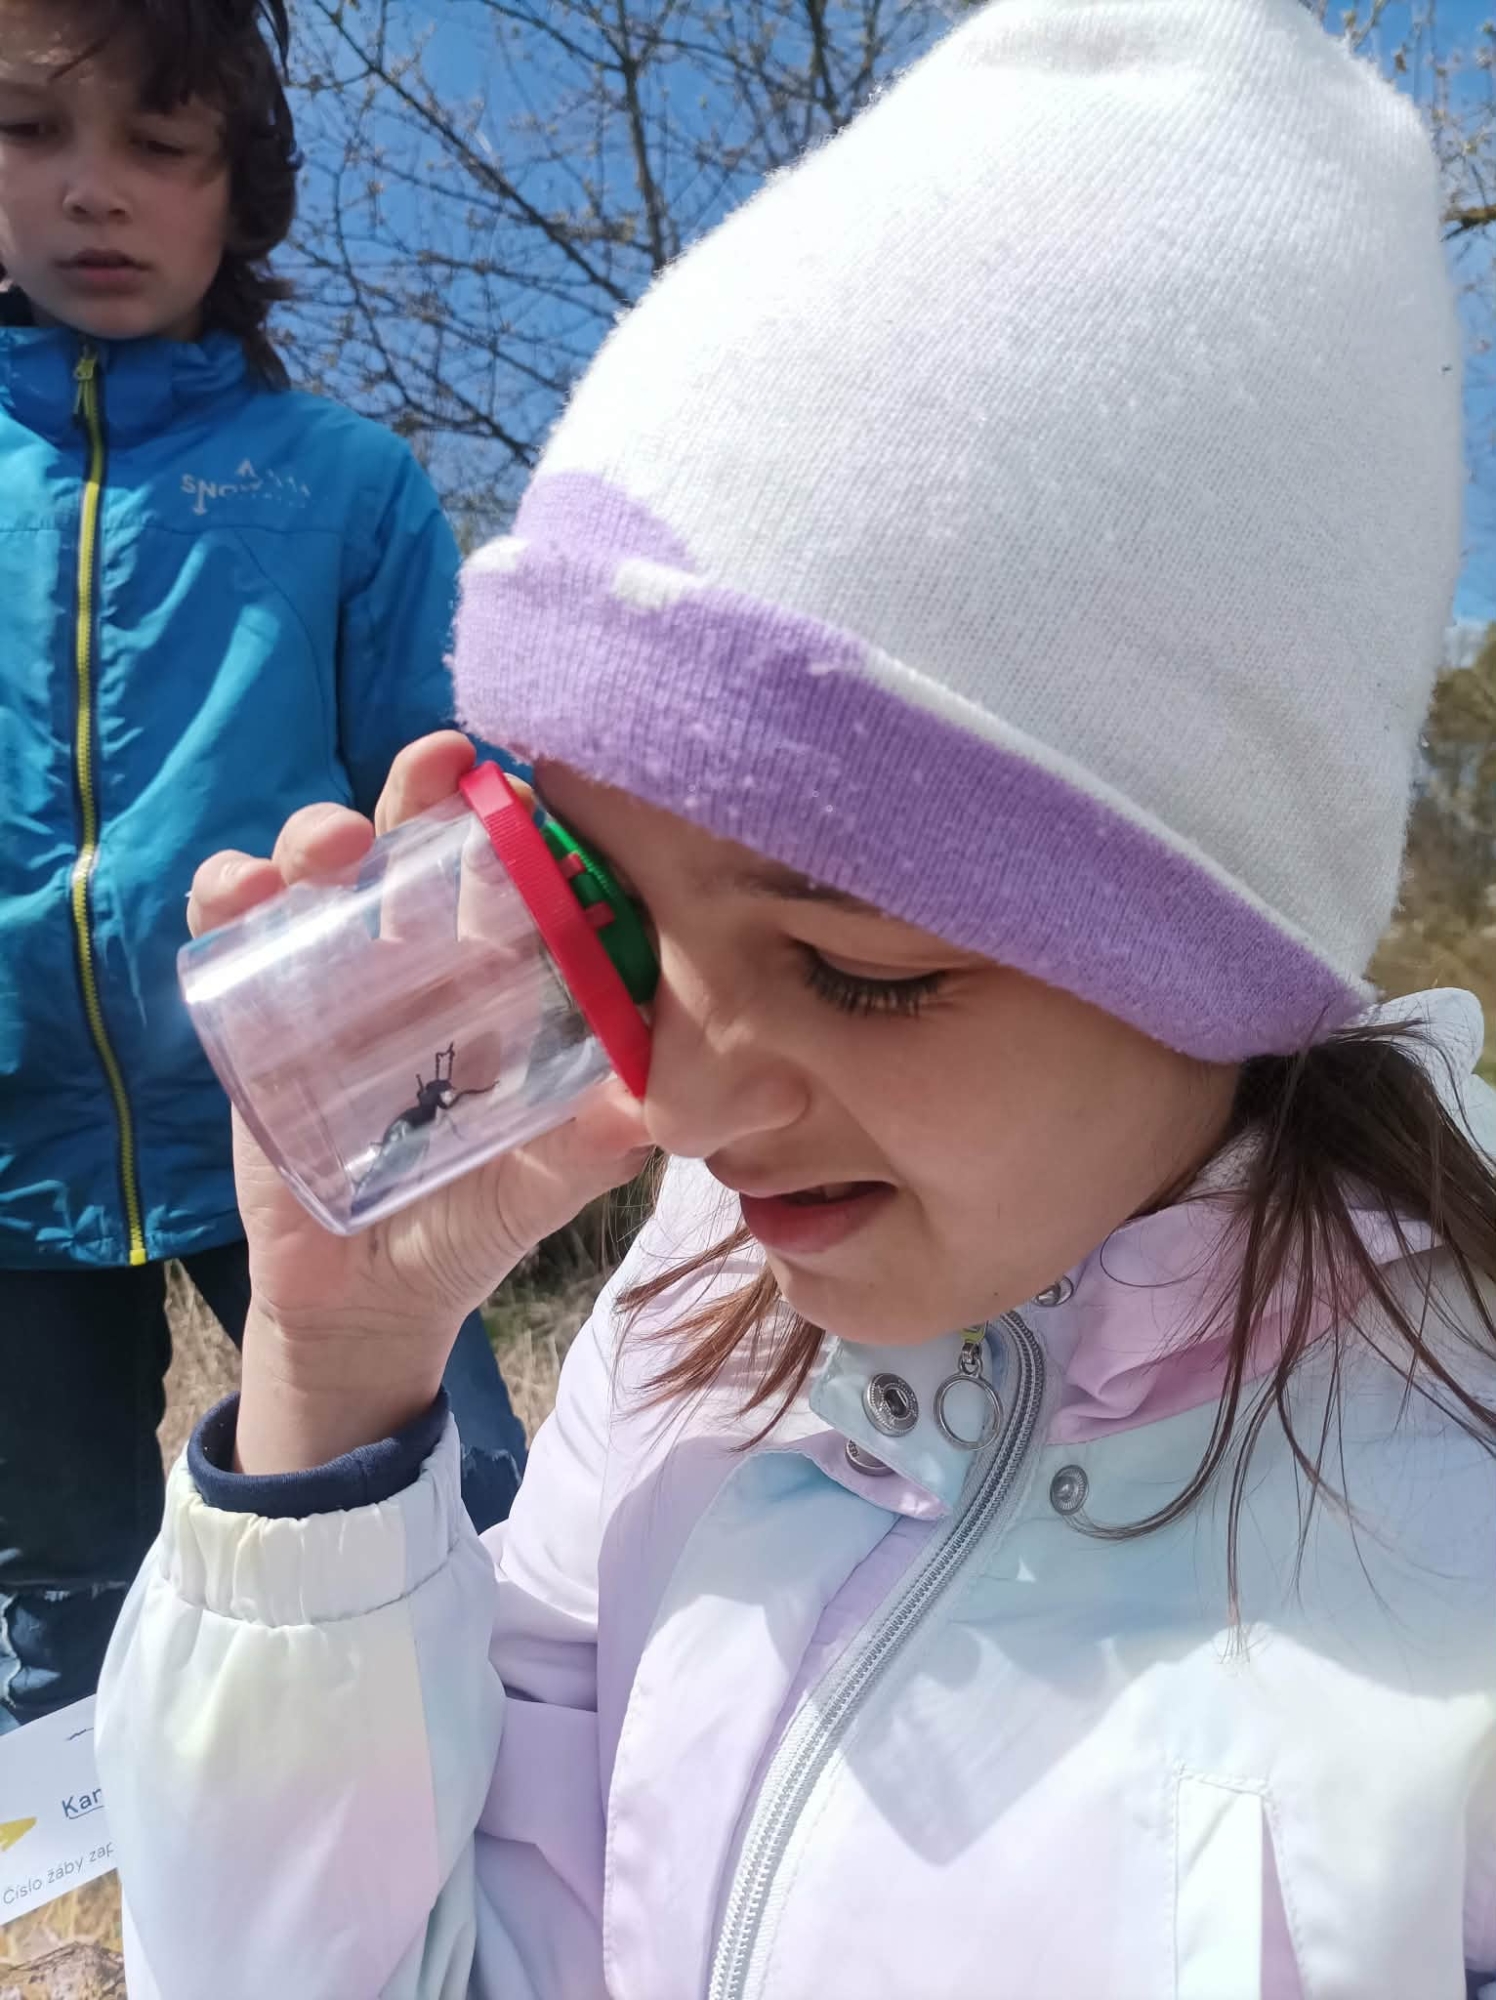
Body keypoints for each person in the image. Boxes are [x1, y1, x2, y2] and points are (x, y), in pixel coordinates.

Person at [97, 0, 1496, 1992]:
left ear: (1219, 952)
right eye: (601, 915)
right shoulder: (690, 1343)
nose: (674, 1106)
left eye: (860, 970)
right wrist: (341, 1381)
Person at [0, 0, 527, 1731]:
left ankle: (509, 1808)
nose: (93, 191)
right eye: (29, 131)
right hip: (8, 1151)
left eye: (159, 145)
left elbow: (442, 790)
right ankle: (104, 1856)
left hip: (323, 1117)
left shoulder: (346, 486)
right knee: (51, 1592)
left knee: (457, 1506)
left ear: (240, 187)